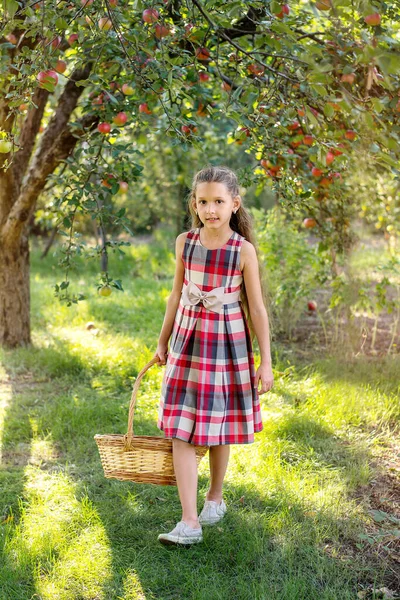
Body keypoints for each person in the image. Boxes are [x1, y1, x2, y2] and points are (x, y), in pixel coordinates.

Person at [154, 165, 273, 546]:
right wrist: (163, 340)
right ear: (194, 203)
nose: (211, 209)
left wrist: (266, 361)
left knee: (217, 423)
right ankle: (189, 522)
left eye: (219, 201)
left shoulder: (243, 251)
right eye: (203, 201)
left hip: (227, 342)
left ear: (234, 204)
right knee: (180, 427)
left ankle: (215, 497)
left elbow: (256, 309)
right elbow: (176, 294)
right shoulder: (184, 243)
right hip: (188, 340)